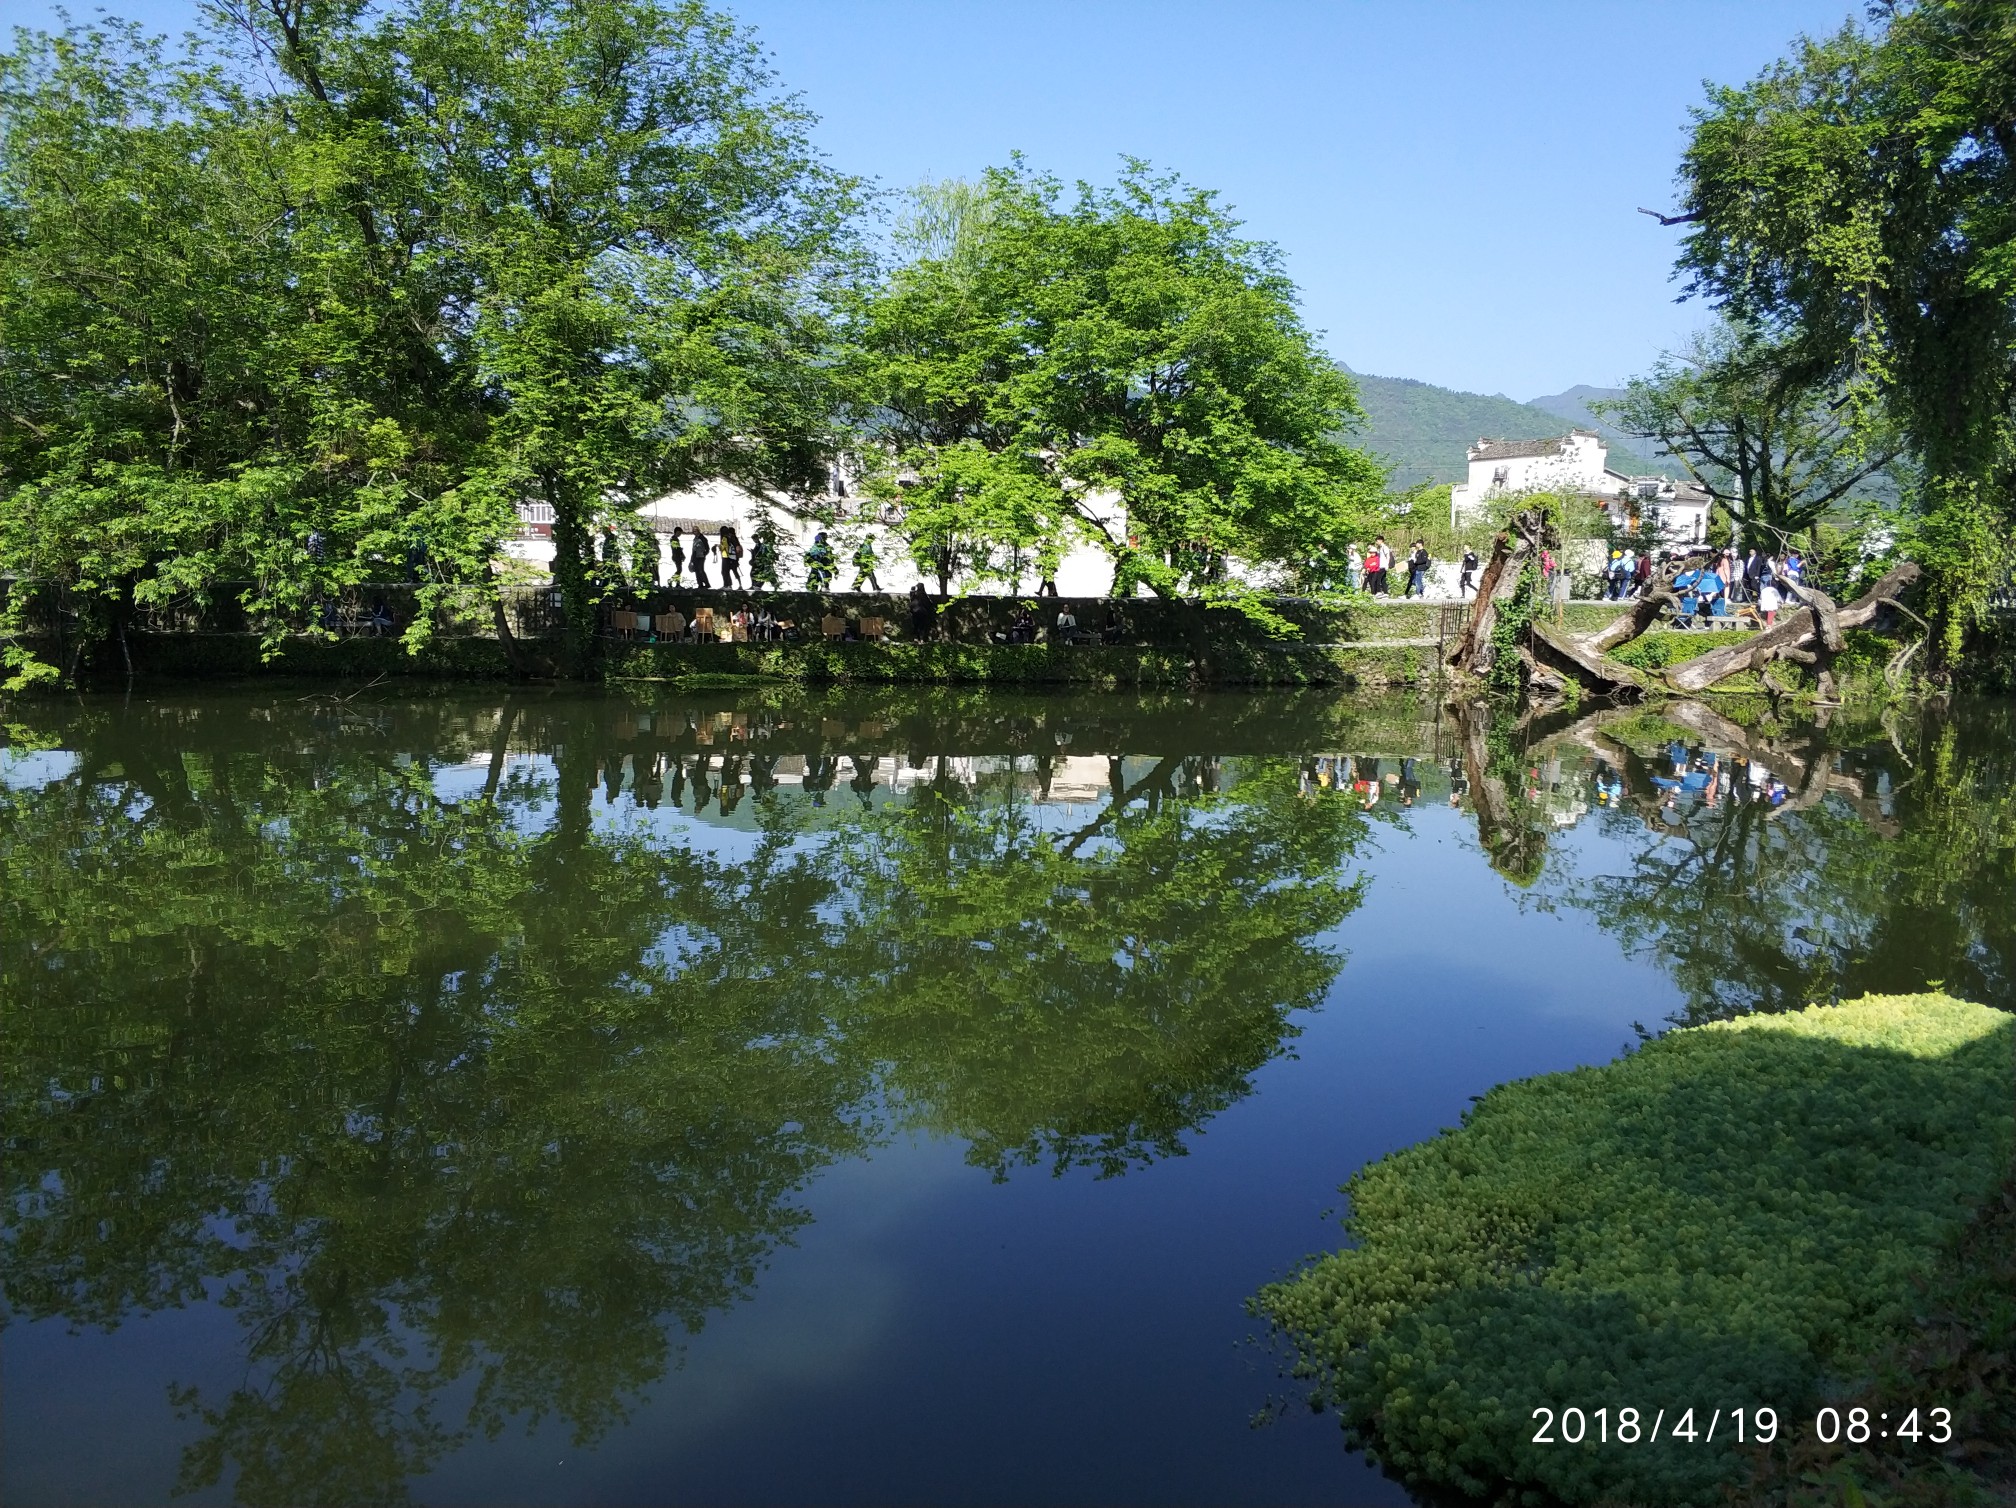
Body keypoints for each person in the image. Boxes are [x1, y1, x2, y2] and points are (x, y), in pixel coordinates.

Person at [718, 525, 744, 589]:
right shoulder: (732, 537)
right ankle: (737, 585)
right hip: (732, 557)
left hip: (727, 556)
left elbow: (723, 547)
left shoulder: (726, 537)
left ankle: (727, 585)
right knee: (733, 571)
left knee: (725, 571)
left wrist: (719, 546)